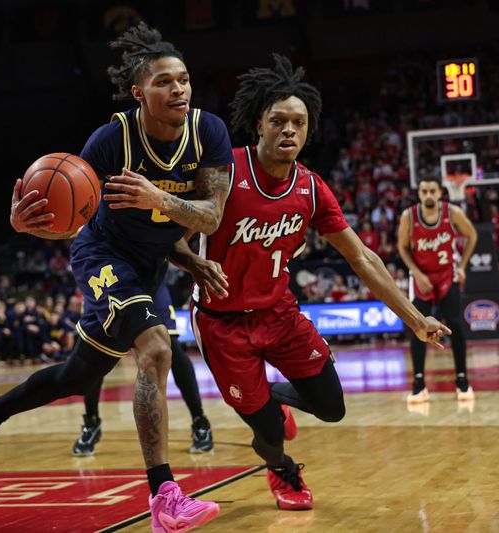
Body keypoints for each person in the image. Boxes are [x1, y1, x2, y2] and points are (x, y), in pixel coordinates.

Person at [0, 22, 232, 532]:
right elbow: (68, 214)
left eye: (185, 80)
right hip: (101, 253)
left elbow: (210, 216)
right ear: (138, 92)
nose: (179, 90)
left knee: (80, 374)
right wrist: (26, 226)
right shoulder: (111, 140)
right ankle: (164, 495)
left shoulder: (208, 131)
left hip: (152, 260)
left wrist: (183, 248)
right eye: (165, 82)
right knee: (157, 348)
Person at [170, 55, 450, 511]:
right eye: (278, 120)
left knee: (332, 408)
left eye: (298, 123)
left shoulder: (312, 189)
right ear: (258, 124)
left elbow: (362, 257)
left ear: (308, 129)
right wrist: (190, 263)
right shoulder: (224, 172)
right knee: (268, 435)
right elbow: (171, 241)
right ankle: (283, 471)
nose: (288, 131)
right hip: (221, 323)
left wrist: (416, 320)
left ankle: (270, 399)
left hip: (280, 315)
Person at [72, 281, 213, 456]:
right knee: (93, 353)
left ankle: (199, 420)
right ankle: (91, 421)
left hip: (147, 279)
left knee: (171, 348)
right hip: (106, 280)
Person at [397, 176, 478, 404]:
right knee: (417, 327)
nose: (429, 195)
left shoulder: (452, 213)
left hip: (446, 275)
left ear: (440, 192)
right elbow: (402, 248)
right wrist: (416, 273)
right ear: (419, 193)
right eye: (424, 192)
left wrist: (461, 266)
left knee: (455, 324)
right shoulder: (409, 217)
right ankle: (419, 384)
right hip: (422, 278)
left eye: (433, 191)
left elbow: (472, 235)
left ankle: (462, 380)